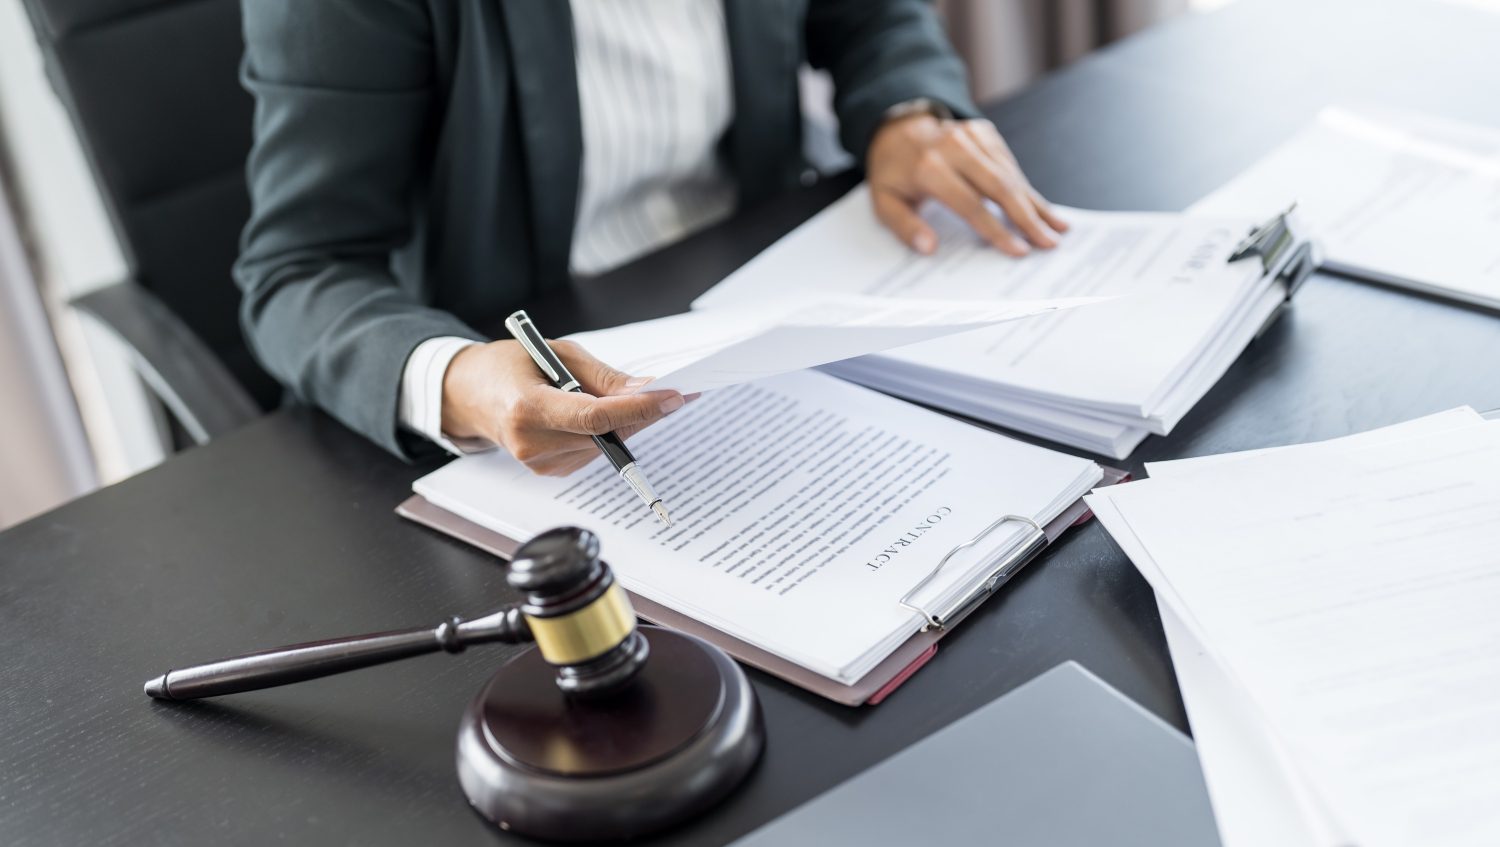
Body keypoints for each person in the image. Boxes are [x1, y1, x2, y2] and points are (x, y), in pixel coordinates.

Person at [235, 0, 1067, 475]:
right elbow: (299, 268)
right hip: (540, 365)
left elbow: (871, 18)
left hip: (760, 306)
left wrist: (902, 112)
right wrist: (460, 377)